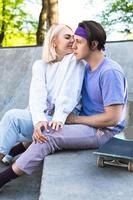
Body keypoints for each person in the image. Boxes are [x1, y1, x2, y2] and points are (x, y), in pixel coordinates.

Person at [0, 20, 127, 189]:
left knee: (49, 135)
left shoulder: (109, 72)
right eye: (72, 40)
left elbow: (112, 119)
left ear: (94, 44)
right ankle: (12, 151)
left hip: (104, 132)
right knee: (39, 125)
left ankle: (3, 179)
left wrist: (73, 120)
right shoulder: (86, 67)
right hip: (85, 122)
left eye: (78, 42)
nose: (74, 45)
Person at [0, 24, 85, 164]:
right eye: (67, 37)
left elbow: (69, 93)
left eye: (74, 38)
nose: (72, 40)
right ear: (54, 41)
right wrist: (39, 120)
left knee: (12, 117)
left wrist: (58, 118)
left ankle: (10, 152)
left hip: (63, 118)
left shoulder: (75, 61)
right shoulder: (40, 65)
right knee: (19, 118)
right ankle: (8, 152)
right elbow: (37, 94)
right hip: (46, 115)